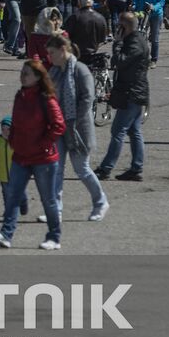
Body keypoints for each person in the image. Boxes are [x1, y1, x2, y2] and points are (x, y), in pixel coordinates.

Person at [0, 60, 65, 250]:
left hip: (43, 158)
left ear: (38, 78)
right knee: (13, 196)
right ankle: (6, 235)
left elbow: (59, 126)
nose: (22, 76)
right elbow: (15, 122)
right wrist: (13, 139)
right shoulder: (20, 96)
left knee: (48, 200)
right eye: (22, 72)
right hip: (21, 155)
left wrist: (44, 144)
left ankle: (54, 237)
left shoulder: (47, 98)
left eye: (27, 73)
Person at [46, 34, 109, 221]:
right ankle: (55, 209)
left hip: (78, 129)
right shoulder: (54, 71)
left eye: (52, 52)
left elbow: (88, 98)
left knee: (82, 169)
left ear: (63, 50)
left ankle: (101, 202)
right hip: (59, 128)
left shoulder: (80, 70)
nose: (49, 57)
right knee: (56, 169)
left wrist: (72, 121)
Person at [95, 12, 149, 180]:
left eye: (119, 26)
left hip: (132, 92)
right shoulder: (136, 39)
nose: (117, 29)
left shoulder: (134, 43)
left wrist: (117, 44)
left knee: (118, 130)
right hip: (134, 91)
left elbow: (119, 62)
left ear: (124, 27)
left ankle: (106, 168)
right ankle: (136, 168)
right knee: (134, 131)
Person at [132, 0, 165, 64]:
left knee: (154, 38)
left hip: (156, 14)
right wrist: (133, 6)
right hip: (142, 13)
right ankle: (144, 57)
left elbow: (162, 0)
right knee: (142, 35)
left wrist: (153, 7)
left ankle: (154, 59)